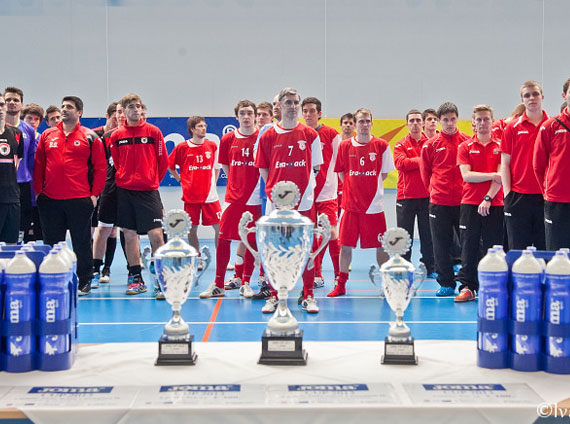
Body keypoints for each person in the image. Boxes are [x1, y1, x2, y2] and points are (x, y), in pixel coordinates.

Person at [255, 87, 323, 313]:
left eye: (296, 103)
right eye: (288, 102)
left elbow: (315, 167)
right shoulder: (267, 135)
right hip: (276, 204)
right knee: (276, 249)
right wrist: (276, 194)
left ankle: (308, 295)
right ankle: (276, 295)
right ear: (280, 106)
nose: (293, 106)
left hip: (304, 202)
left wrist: (303, 192)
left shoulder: (311, 135)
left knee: (306, 248)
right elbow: (264, 169)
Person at [34, 96, 106, 296]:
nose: (64, 109)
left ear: (79, 112)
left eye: (69, 107)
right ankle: (53, 280)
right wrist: (39, 192)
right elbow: (39, 165)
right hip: (50, 200)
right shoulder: (47, 135)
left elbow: (100, 168)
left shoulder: (90, 137)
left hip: (80, 200)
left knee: (81, 243)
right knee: (52, 244)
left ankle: (84, 280)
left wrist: (94, 195)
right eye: (63, 106)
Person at [328, 108, 393, 297]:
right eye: (361, 121)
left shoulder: (382, 145)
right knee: (345, 246)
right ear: (355, 124)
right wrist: (353, 188)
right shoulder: (344, 146)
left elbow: (384, 174)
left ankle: (387, 284)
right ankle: (341, 284)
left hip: (374, 206)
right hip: (350, 205)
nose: (364, 125)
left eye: (367, 121)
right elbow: (342, 173)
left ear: (371, 123)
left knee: (381, 246)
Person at [201, 100, 260, 299]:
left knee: (251, 239)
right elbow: (226, 167)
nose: (246, 116)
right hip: (233, 197)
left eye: (249, 113)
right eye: (242, 113)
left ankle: (246, 283)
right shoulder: (227, 139)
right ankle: (218, 284)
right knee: (223, 238)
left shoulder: (261, 138)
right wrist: (236, 183)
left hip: (254, 198)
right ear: (236, 116)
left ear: (255, 116)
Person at [109, 93, 168, 296]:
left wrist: (151, 180)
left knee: (156, 235)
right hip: (125, 191)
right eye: (132, 107)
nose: (136, 110)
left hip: (148, 191)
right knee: (129, 235)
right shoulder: (116, 136)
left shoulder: (154, 132)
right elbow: (117, 162)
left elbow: (163, 161)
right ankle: (136, 277)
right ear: (124, 111)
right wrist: (126, 178)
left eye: (139, 106)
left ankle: (162, 279)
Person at [420, 102, 470, 296]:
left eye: (452, 119)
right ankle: (446, 283)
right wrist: (435, 191)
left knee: (468, 243)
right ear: (439, 121)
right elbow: (425, 173)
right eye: (445, 120)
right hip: (439, 203)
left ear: (458, 119)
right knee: (440, 244)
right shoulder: (430, 145)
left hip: (464, 203)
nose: (449, 123)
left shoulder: (467, 142)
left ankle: (467, 283)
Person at [455, 105, 504, 302]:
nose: (483, 123)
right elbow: (467, 175)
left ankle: (493, 287)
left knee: (494, 248)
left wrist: (488, 198)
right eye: (479, 120)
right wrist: (492, 175)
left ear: (492, 122)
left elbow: (501, 178)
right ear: (473, 123)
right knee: (469, 247)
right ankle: (468, 287)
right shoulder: (465, 147)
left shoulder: (501, 145)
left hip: (495, 204)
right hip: (469, 203)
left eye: (486, 119)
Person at [501, 80, 549, 250]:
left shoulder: (552, 126)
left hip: (546, 196)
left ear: (542, 97)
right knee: (518, 250)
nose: (531, 98)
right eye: (527, 95)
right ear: (522, 100)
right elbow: (505, 163)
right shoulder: (511, 128)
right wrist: (508, 194)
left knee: (546, 249)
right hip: (518, 197)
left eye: (535, 94)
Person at [301, 97, 341, 290]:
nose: (308, 114)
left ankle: (339, 276)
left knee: (330, 232)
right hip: (306, 194)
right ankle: (316, 274)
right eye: (305, 111)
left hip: (327, 193)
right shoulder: (299, 134)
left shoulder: (332, 134)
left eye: (312, 111)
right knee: (310, 236)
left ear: (319, 113)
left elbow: (341, 163)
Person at [168, 116, 222, 257]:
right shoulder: (182, 147)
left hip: (210, 197)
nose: (203, 129)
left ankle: (222, 258)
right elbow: (170, 166)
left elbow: (217, 167)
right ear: (192, 129)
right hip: (191, 196)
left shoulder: (212, 146)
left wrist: (213, 184)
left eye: (204, 126)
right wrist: (180, 180)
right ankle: (196, 257)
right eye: (199, 126)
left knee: (219, 228)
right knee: (192, 229)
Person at [393, 109, 435, 276]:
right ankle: (404, 266)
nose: (415, 123)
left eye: (418, 120)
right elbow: (401, 164)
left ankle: (430, 267)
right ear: (407, 124)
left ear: (423, 123)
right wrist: (423, 160)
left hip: (427, 196)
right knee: (405, 235)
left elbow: (434, 164)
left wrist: (414, 161)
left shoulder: (431, 143)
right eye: (412, 121)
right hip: (405, 197)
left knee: (428, 234)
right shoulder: (400, 144)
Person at [534, 77, 570, 250]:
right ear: (564, 96)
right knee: (557, 252)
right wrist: (548, 193)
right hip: (557, 200)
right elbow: (538, 165)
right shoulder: (550, 126)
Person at [91, 102, 123, 288]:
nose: (119, 119)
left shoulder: (125, 136)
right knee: (98, 229)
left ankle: (107, 269)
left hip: (118, 190)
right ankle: (94, 268)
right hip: (101, 189)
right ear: (109, 116)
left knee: (114, 230)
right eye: (116, 115)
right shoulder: (97, 136)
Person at [4, 87, 37, 243]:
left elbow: (30, 161)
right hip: (3, 183)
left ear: (21, 105)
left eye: (16, 100)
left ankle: (16, 253)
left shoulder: (28, 130)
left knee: (20, 226)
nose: (12, 102)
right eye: (8, 100)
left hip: (22, 185)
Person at [0, 93, 24, 244]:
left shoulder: (16, 134)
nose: (0, 108)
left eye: (1, 105)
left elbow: (16, 164)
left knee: (11, 245)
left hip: (11, 198)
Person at [21, 103, 45, 242]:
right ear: (23, 119)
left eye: (36, 119)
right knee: (21, 231)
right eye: (29, 118)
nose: (33, 122)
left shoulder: (43, 140)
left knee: (39, 233)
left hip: (38, 192)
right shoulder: (16, 138)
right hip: (21, 191)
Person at [338, 113, 356, 216]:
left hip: (350, 186)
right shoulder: (334, 141)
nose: (348, 125)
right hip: (333, 185)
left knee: (347, 216)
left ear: (355, 126)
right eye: (345, 123)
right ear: (341, 125)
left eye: (350, 123)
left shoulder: (357, 144)